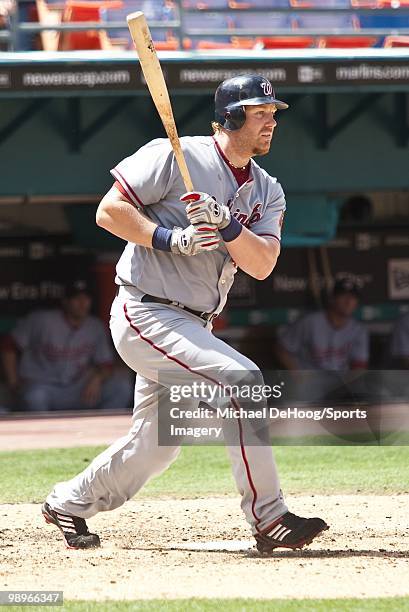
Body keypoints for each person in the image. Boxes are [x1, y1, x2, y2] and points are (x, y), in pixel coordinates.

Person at [42, 74, 328, 553]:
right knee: (242, 381)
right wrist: (168, 238)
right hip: (145, 310)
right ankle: (269, 516)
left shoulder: (267, 189)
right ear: (232, 116)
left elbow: (261, 265)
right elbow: (108, 212)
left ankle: (69, 502)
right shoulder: (173, 154)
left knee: (156, 446)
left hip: (193, 322)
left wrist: (228, 224)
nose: (270, 123)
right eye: (260, 113)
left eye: (273, 114)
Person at [1, 280, 133, 412]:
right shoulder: (41, 320)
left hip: (78, 389)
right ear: (65, 301)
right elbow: (9, 345)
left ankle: (102, 430)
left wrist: (98, 378)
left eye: (86, 298)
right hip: (43, 387)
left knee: (121, 386)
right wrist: (13, 382)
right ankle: (44, 431)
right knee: (34, 397)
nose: (82, 303)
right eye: (76, 298)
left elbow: (106, 364)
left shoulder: (95, 326)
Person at [275, 279, 369, 404]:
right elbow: (281, 349)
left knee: (365, 396)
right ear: (333, 299)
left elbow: (359, 366)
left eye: (353, 298)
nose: (348, 302)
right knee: (293, 398)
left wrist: (352, 387)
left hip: (339, 381)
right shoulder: (310, 322)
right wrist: (297, 374)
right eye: (343, 296)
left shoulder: (358, 329)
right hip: (311, 381)